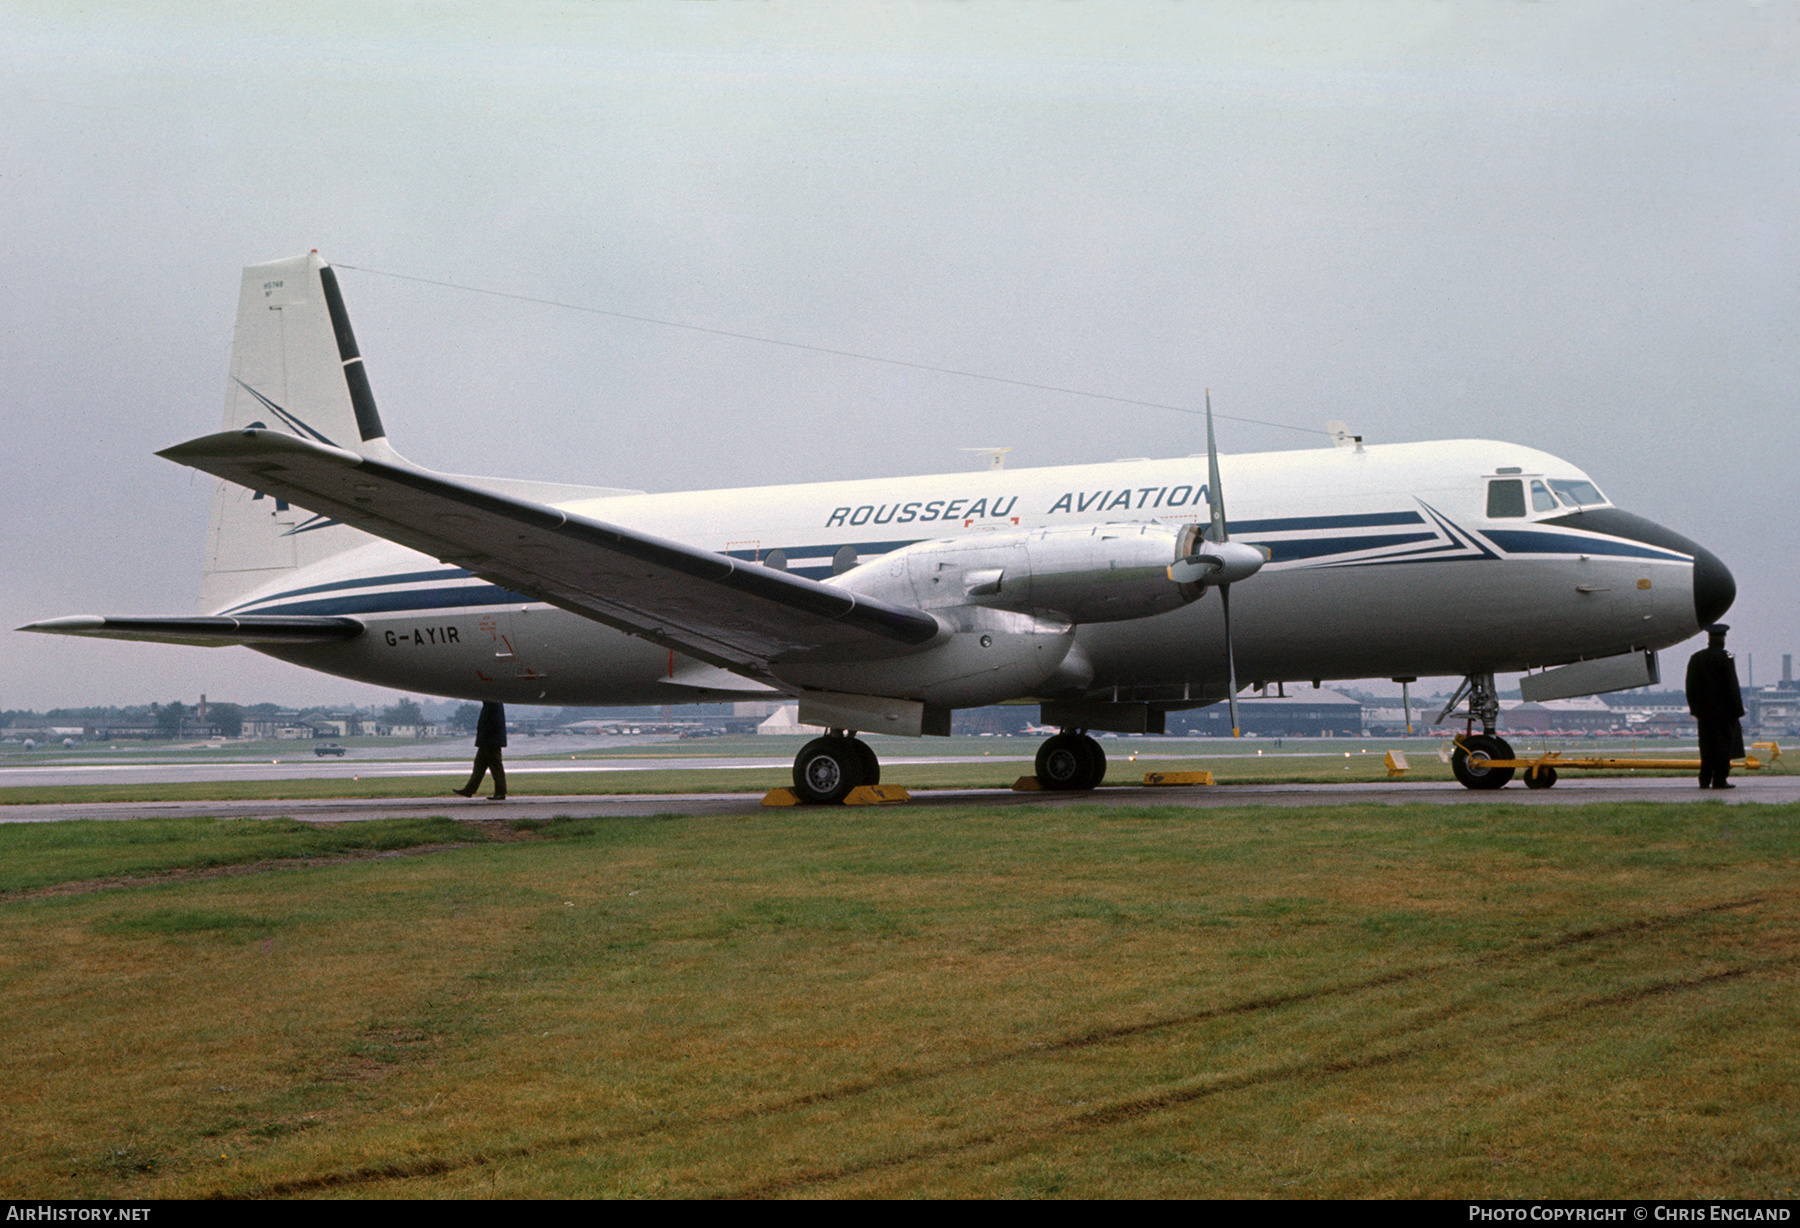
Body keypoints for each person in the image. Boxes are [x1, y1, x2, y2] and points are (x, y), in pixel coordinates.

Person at [1685, 624, 1745, 790]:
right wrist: (1738, 710)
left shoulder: (1697, 658)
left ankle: (1704, 780)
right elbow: (1732, 685)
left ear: (1709, 639)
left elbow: (1690, 686)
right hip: (1725, 712)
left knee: (1707, 746)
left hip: (1704, 713)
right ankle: (1719, 780)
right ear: (1723, 639)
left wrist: (1694, 709)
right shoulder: (1725, 657)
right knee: (1724, 747)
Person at [454, 701, 507, 800]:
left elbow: (492, 724)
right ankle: (469, 790)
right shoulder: (492, 703)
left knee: (495, 767)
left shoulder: (492, 703)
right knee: (479, 766)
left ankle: (500, 792)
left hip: (490, 741)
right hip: (487, 741)